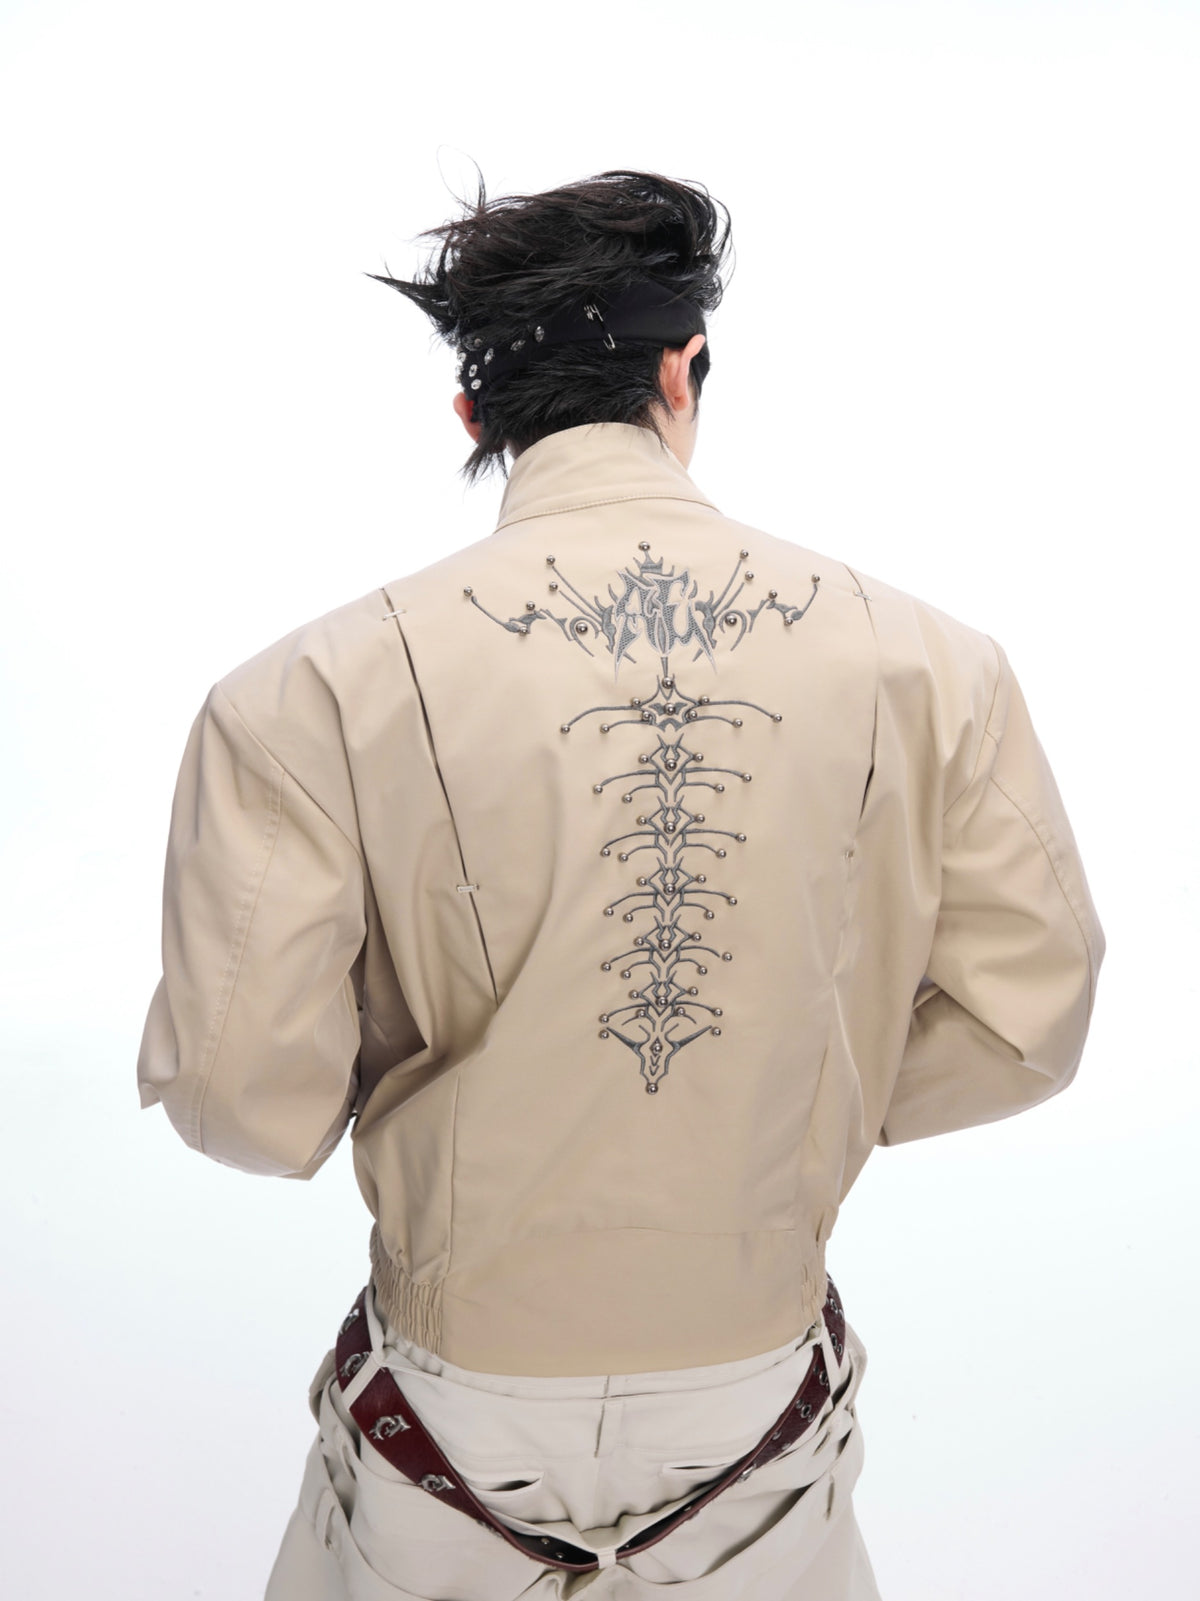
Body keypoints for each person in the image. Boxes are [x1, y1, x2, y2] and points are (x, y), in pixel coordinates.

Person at [137, 169, 1106, 1600]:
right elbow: (1031, 1024)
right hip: (758, 1399)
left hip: (449, 1415)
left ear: (474, 415)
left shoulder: (305, 689)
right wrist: (788, 1096)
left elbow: (243, 1104)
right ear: (682, 370)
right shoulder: (934, 662)